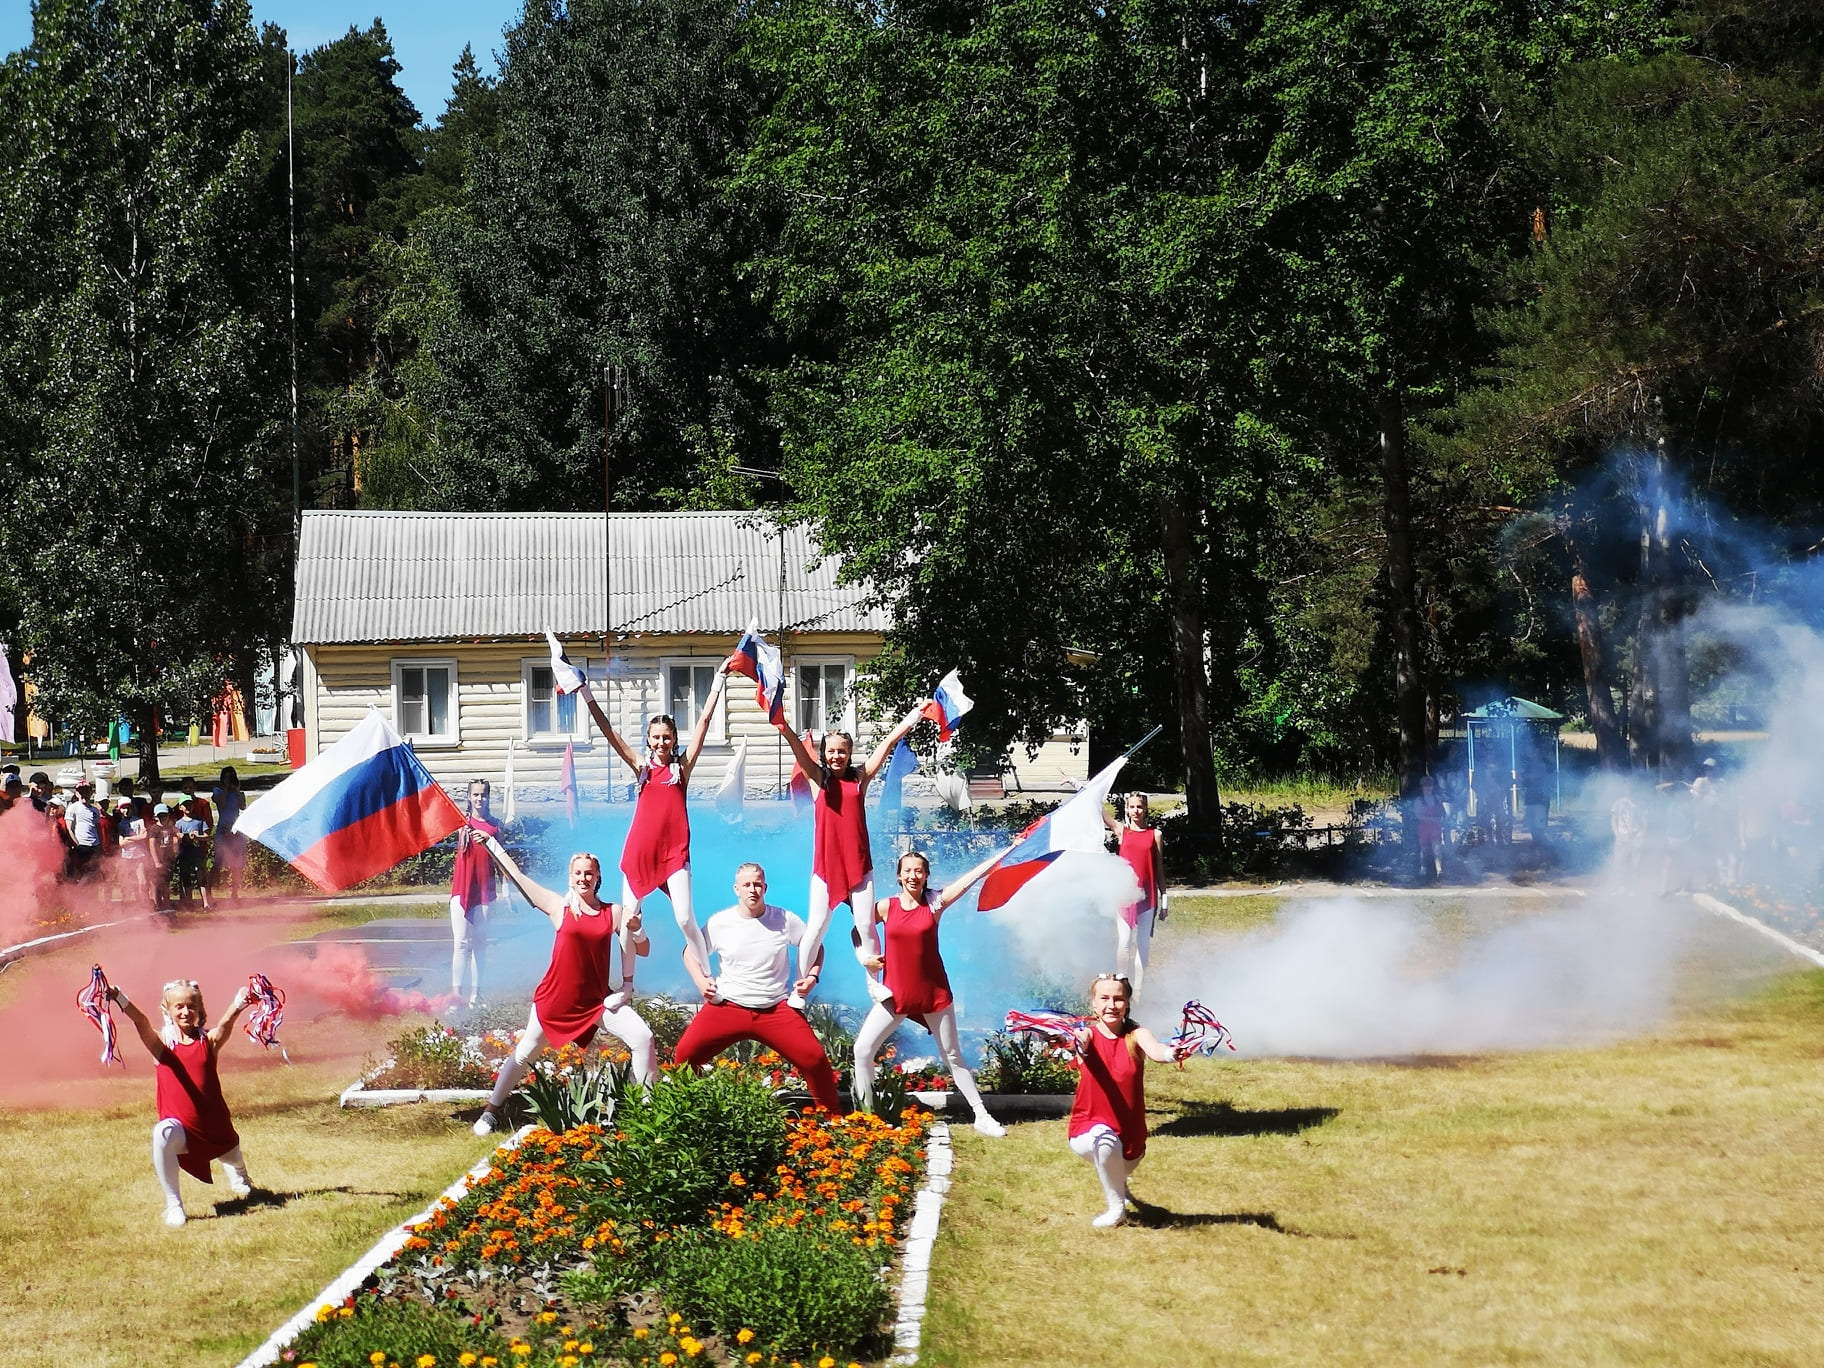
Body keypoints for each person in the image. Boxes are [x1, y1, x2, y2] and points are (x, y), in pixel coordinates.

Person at [469, 842, 655, 1137]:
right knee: (525, 1053)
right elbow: (519, 877)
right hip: (555, 1000)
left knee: (643, 1038)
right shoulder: (560, 907)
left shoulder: (614, 912)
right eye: (578, 873)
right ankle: (491, 1111)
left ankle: (650, 1114)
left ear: (598, 877)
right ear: (571, 877)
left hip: (597, 1002)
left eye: (589, 873)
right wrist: (491, 844)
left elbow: (643, 950)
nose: (583, 878)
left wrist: (638, 928)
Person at [577, 669, 728, 989]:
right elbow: (609, 732)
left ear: (674, 739)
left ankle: (707, 977)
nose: (661, 742)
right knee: (628, 920)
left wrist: (717, 681)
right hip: (640, 853)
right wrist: (586, 692)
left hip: (674, 853)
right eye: (656, 737)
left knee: (685, 917)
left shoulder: (681, 768)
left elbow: (703, 723)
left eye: (667, 737)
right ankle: (627, 985)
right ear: (648, 739)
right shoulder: (642, 767)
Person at [772, 702, 929, 1008]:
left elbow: (888, 742)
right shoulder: (817, 779)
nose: (836, 756)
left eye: (842, 751)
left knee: (866, 924)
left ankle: (874, 985)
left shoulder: (859, 778)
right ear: (823, 753)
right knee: (816, 927)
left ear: (849, 753)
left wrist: (914, 716)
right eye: (831, 751)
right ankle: (799, 990)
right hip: (826, 869)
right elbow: (797, 748)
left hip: (859, 867)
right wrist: (783, 725)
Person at [853, 848, 1009, 1136]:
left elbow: (969, 880)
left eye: (919, 871)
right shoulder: (885, 907)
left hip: (933, 994)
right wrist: (866, 959)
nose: (913, 876)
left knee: (953, 1055)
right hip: (895, 996)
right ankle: (868, 1117)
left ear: (926, 875)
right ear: (899, 876)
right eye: (908, 871)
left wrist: (1005, 852)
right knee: (862, 1050)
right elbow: (858, 931)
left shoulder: (935, 903)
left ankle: (982, 1115)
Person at [675, 862, 841, 1113]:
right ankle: (689, 1116)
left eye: (757, 884)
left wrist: (812, 977)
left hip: (774, 1009)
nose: (752, 890)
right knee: (685, 1057)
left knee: (816, 1061)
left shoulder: (785, 919)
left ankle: (835, 1123)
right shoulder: (720, 922)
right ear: (736, 889)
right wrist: (700, 981)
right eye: (746, 885)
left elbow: (816, 947)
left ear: (765, 887)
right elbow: (690, 952)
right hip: (727, 1006)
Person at [108, 977, 255, 1227]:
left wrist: (241, 1001)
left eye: (191, 1006)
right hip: (182, 1130)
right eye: (179, 1006)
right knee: (162, 1133)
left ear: (199, 1010)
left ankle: (240, 1177)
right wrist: (118, 997)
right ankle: (174, 1204)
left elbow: (226, 1023)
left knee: (233, 1157)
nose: (185, 1012)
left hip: (215, 1126)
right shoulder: (161, 1045)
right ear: (168, 1010)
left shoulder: (208, 1041)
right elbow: (141, 1021)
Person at [1069, 972, 1191, 1228]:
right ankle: (1117, 1209)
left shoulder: (1136, 1035)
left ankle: (1119, 1182)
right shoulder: (1087, 1034)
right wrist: (1070, 1042)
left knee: (1114, 1155)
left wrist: (1173, 1053)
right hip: (1087, 1128)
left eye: (1118, 999)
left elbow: (1157, 1051)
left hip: (1131, 1137)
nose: (1111, 1005)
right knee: (1104, 1139)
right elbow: (1079, 1041)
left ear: (1127, 1003)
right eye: (1104, 998)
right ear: (1093, 1003)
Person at [1102, 792, 1167, 998]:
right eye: (1132, 807)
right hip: (1125, 895)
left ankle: (1138, 991)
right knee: (1124, 941)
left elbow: (1158, 868)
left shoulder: (1155, 835)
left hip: (1147, 896)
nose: (1136, 811)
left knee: (1143, 944)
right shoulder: (1122, 831)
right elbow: (1098, 809)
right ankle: (1123, 985)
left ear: (1145, 809)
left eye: (1139, 807)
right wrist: (1079, 785)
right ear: (1127, 809)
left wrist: (1164, 898)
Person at [448, 778, 500, 1006]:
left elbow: (502, 861)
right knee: (461, 943)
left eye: (483, 794)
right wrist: (466, 828)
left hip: (485, 893)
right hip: (462, 889)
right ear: (469, 797)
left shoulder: (496, 826)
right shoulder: (462, 823)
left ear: (488, 797)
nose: (480, 799)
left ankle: (476, 995)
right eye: (476, 794)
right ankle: (456, 997)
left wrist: (507, 890)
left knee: (480, 943)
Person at [210, 766, 248, 901]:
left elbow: (243, 807)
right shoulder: (217, 791)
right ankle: (208, 891)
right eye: (226, 777)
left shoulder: (239, 793)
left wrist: (236, 790)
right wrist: (225, 788)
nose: (228, 779)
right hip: (223, 828)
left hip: (235, 829)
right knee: (219, 861)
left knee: (237, 863)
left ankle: (234, 893)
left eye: (231, 777)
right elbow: (221, 804)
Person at [64, 781, 103, 885]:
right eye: (81, 792)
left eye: (86, 791)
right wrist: (77, 844)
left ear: (91, 793)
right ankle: (79, 893)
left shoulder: (95, 810)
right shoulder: (73, 808)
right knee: (81, 874)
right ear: (77, 794)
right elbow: (69, 828)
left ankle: (91, 894)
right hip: (81, 846)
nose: (84, 794)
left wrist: (100, 845)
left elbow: (98, 828)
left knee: (94, 874)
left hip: (94, 845)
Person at [174, 800, 211, 909]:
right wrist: (183, 837)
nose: (188, 807)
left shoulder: (199, 821)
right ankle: (189, 902)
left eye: (190, 804)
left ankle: (206, 903)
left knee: (201, 877)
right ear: (180, 807)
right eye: (185, 805)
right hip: (184, 854)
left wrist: (197, 837)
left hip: (197, 853)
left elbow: (207, 836)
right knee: (186, 877)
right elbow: (176, 837)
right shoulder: (178, 823)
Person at [1415, 775, 1446, 882]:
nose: (1428, 787)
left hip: (1435, 827)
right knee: (1424, 850)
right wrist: (1431, 819)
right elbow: (1418, 815)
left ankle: (1439, 870)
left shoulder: (1437, 799)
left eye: (1430, 785)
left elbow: (1443, 812)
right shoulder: (1419, 800)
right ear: (1422, 787)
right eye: (1426, 785)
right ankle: (1423, 869)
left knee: (1437, 849)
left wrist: (1442, 819)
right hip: (1424, 827)